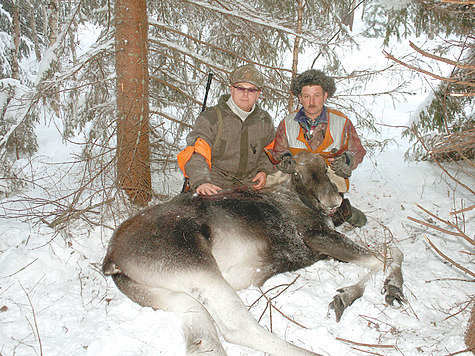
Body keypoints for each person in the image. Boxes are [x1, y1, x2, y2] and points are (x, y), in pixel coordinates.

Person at [270, 69, 367, 227]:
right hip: (300, 184)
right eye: (306, 96)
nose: (311, 102)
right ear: (300, 98)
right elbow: (278, 152)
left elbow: (358, 151)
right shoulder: (287, 123)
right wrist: (284, 161)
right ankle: (333, 213)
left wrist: (346, 161)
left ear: (325, 96)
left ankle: (336, 209)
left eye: (316, 95)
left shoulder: (341, 122)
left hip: (327, 183)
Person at [177, 64, 275, 195]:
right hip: (215, 183)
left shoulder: (265, 121)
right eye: (240, 88)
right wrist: (201, 181)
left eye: (251, 90)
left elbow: (269, 152)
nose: (245, 94)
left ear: (258, 94)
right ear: (232, 89)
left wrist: (263, 170)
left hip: (250, 184)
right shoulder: (211, 118)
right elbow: (196, 153)